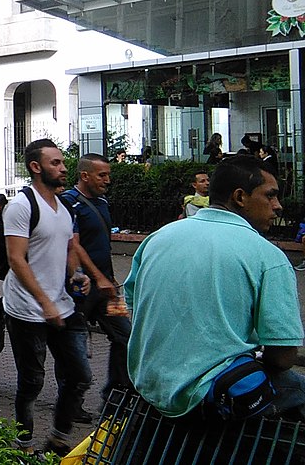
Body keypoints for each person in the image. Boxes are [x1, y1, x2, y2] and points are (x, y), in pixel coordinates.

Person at [124, 155, 305, 422]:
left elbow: (133, 302)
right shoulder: (268, 257)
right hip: (210, 393)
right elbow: (282, 357)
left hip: (149, 384)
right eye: (270, 196)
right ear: (240, 197)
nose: (277, 206)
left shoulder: (158, 239)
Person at [1, 139, 93, 454]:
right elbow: (16, 259)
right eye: (55, 163)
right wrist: (44, 302)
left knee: (80, 375)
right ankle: (23, 443)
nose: (64, 167)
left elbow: (69, 248)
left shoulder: (64, 205)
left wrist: (76, 275)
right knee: (32, 381)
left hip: (63, 306)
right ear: (35, 167)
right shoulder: (21, 206)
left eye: (63, 162)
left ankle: (57, 438)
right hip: (27, 310)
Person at [61, 154, 132, 407]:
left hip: (106, 286)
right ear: (85, 175)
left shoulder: (102, 201)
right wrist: (98, 277)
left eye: (108, 175)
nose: (108, 180)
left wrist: (109, 278)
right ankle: (71, 403)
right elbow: (75, 246)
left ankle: (115, 395)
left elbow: (103, 244)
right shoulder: (69, 202)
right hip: (81, 287)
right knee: (74, 344)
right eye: (102, 175)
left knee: (126, 336)